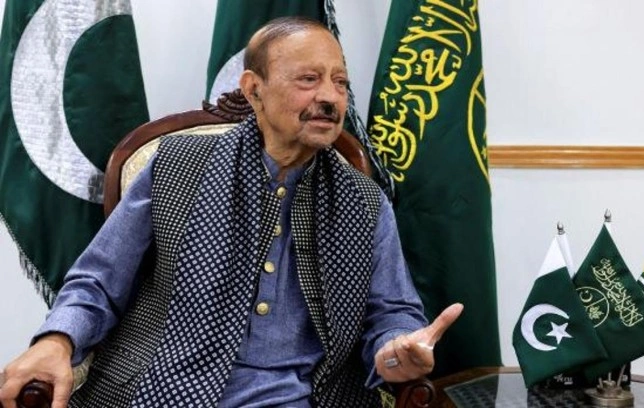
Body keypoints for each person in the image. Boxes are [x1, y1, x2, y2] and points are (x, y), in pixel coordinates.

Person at [0, 16, 463, 408]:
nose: (330, 97)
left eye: (340, 82)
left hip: (305, 398)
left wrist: (395, 352)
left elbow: (392, 314)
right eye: (309, 79)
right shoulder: (177, 167)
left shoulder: (363, 201)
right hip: (165, 388)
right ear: (254, 90)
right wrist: (56, 340)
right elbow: (99, 280)